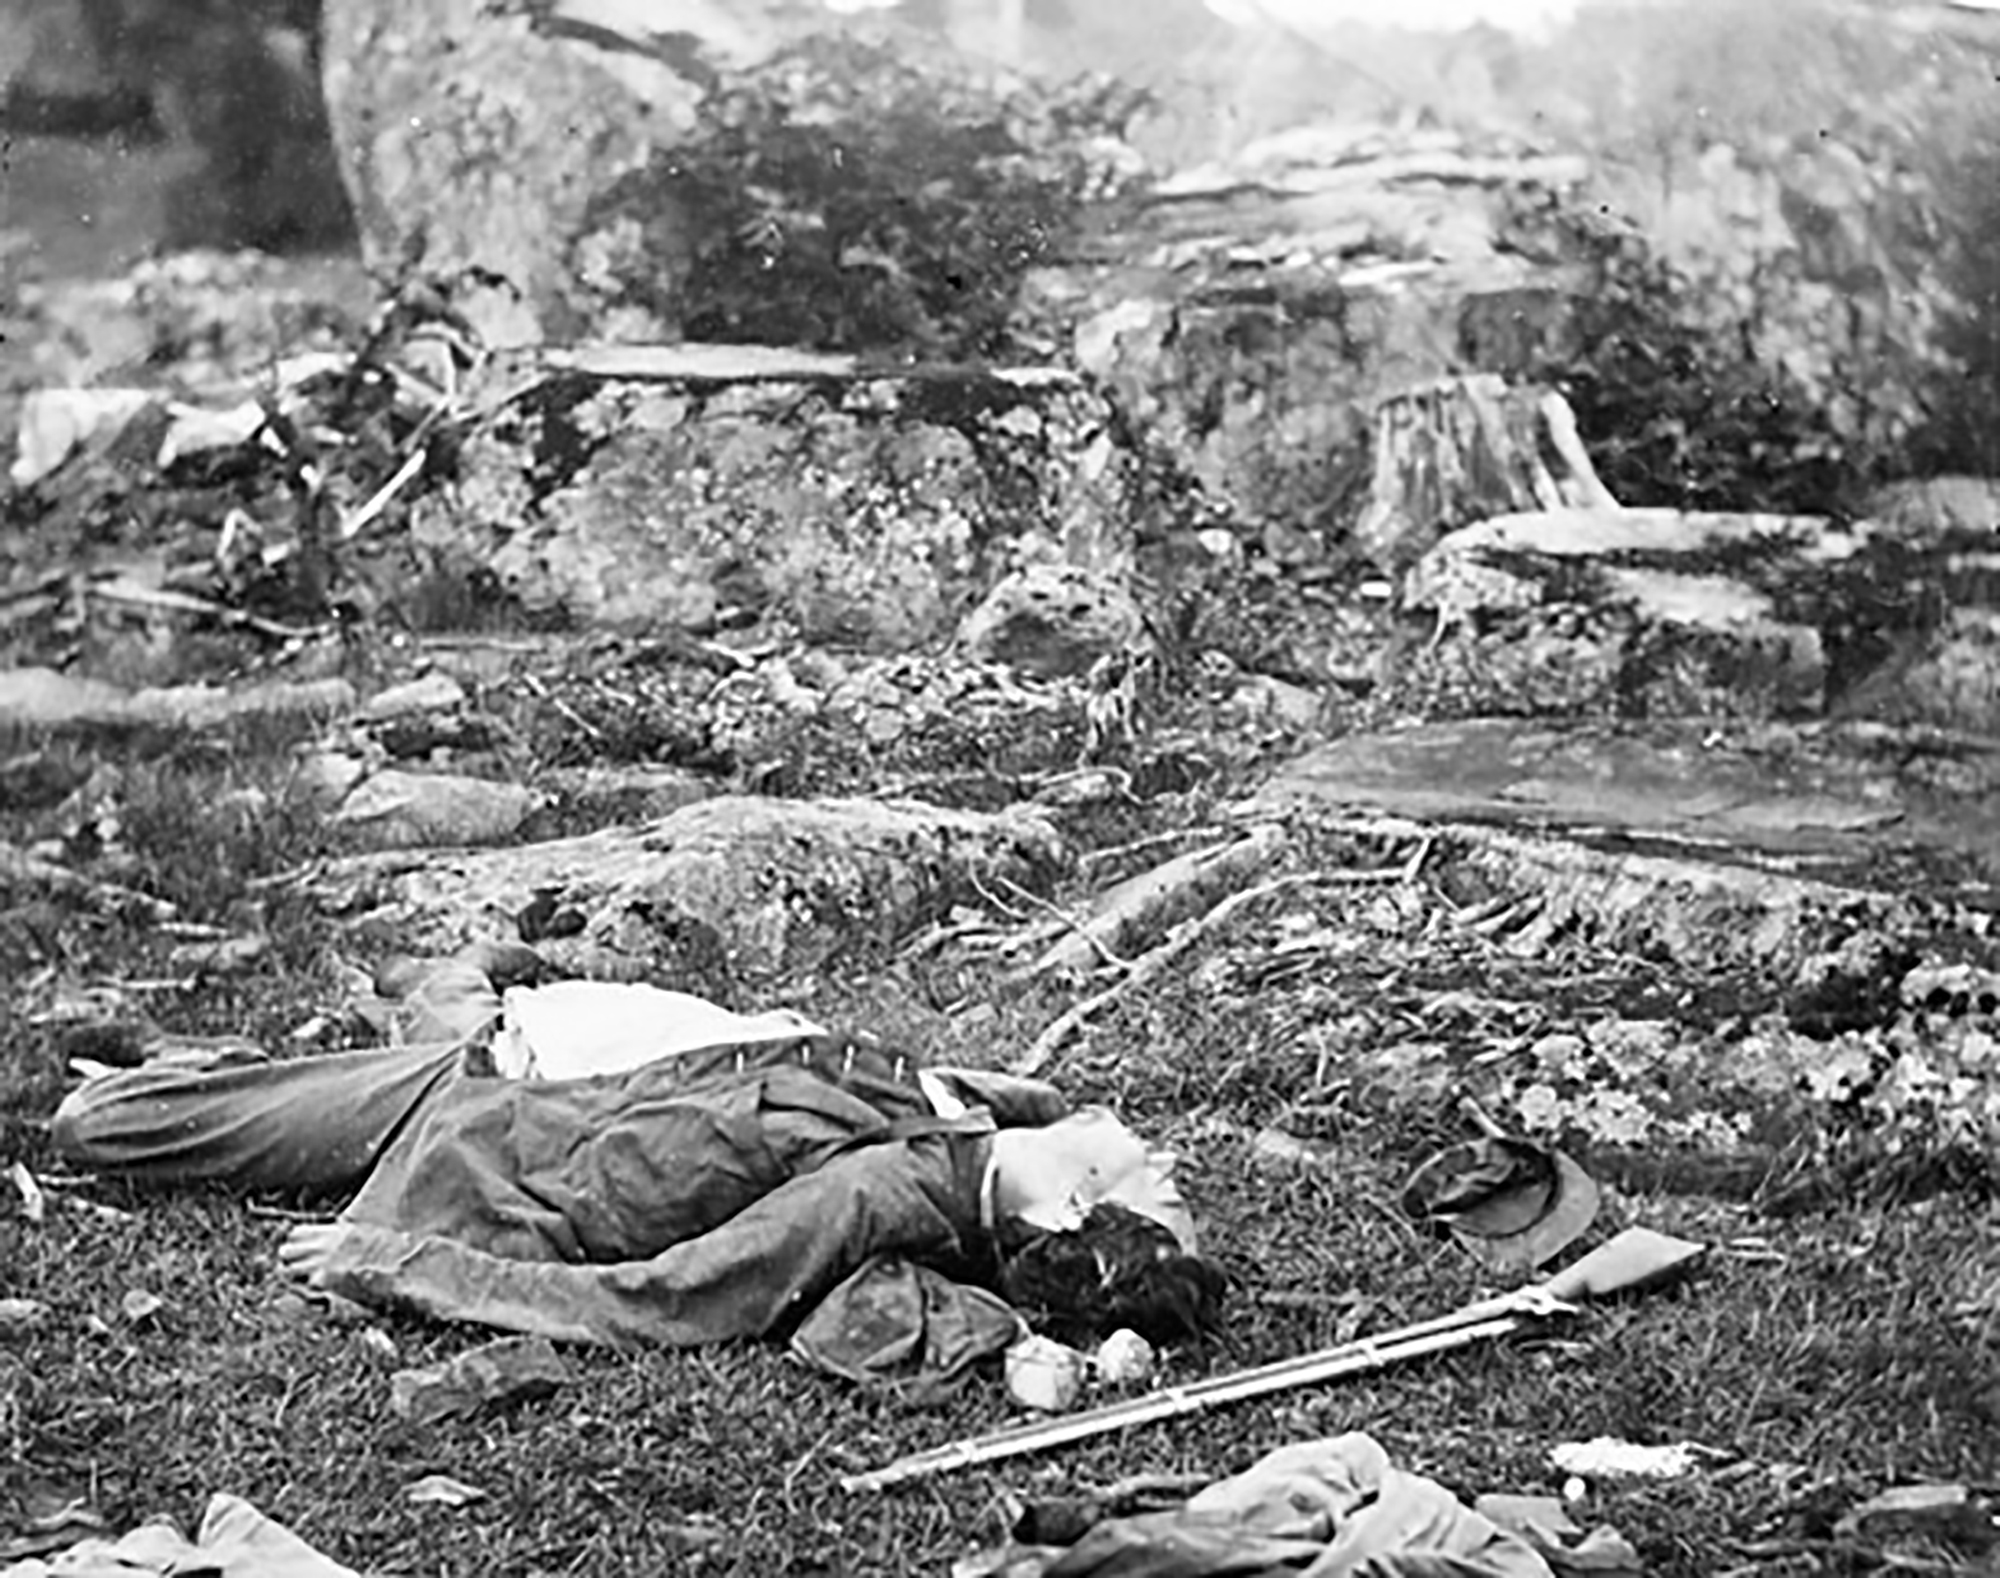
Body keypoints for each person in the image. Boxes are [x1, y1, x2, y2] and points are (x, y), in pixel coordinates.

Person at [49, 948, 1209, 1352]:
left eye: (1147, 1183)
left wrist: (401, 1266)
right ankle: (432, 993)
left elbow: (661, 1302)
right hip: (553, 1052)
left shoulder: (881, 1194)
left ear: (1068, 1213)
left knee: (97, 1129)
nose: (1155, 1152)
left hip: (463, 1136)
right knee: (470, 997)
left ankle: (199, 1067)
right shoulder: (972, 1120)